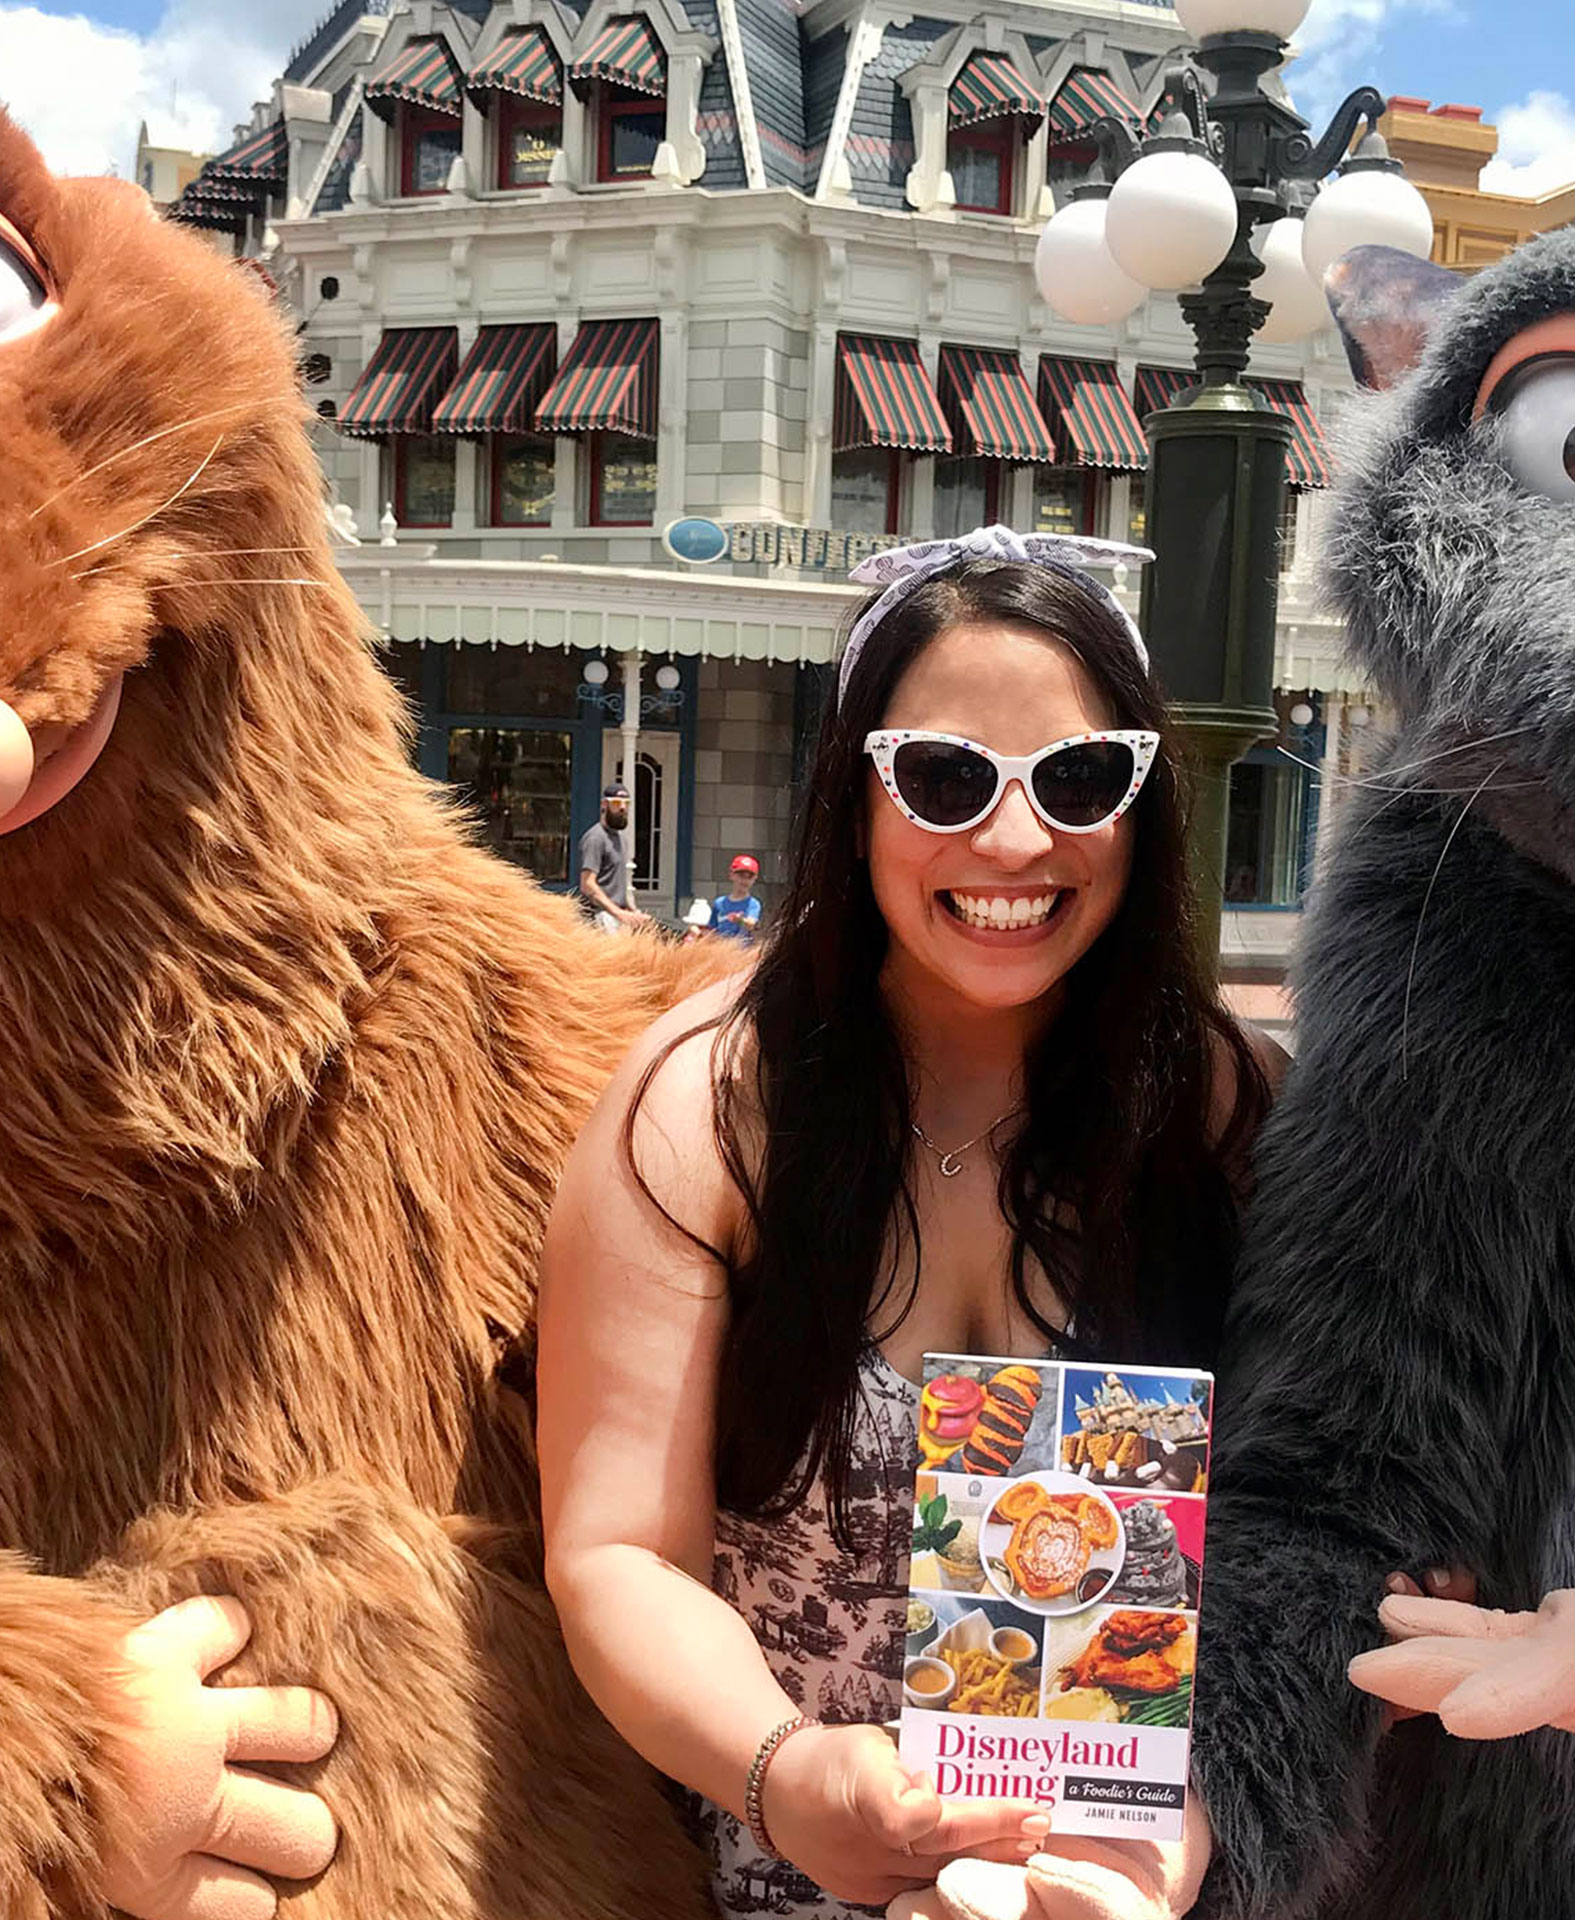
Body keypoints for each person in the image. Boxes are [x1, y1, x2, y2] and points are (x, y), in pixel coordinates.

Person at [538, 527, 1285, 1920]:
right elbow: (614, 1553)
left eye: (1077, 779)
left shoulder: (1235, 1116)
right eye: (942, 779)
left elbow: (1341, 1522)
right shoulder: (706, 1113)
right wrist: (784, 1771)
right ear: (854, 794)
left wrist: (1219, 1805)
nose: (1011, 839)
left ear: (1147, 803)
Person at [579, 781, 648, 932]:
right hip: (599, 916)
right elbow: (587, 884)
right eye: (616, 803)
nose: (623, 808)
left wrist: (632, 911)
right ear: (604, 805)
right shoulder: (596, 838)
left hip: (618, 916)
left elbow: (618, 884)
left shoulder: (621, 839)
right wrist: (617, 913)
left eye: (626, 803)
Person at [707, 855, 763, 942]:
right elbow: (711, 929)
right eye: (741, 876)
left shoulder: (753, 904)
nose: (745, 881)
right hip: (720, 949)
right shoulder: (719, 903)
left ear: (754, 879)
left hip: (743, 952)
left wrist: (740, 920)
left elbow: (751, 924)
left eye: (749, 877)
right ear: (732, 875)